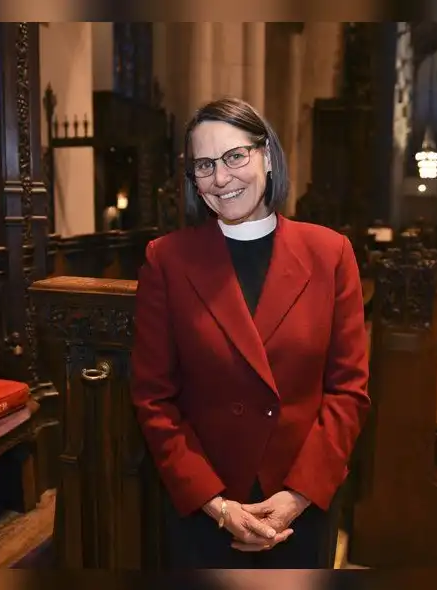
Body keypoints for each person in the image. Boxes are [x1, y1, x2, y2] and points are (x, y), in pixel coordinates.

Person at [129, 97, 370, 569]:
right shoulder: (168, 259)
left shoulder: (331, 253)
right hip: (205, 504)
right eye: (204, 164)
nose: (221, 178)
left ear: (267, 156)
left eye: (235, 156)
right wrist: (216, 505)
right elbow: (153, 398)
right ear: (193, 181)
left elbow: (348, 392)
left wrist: (298, 495)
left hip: (300, 503)